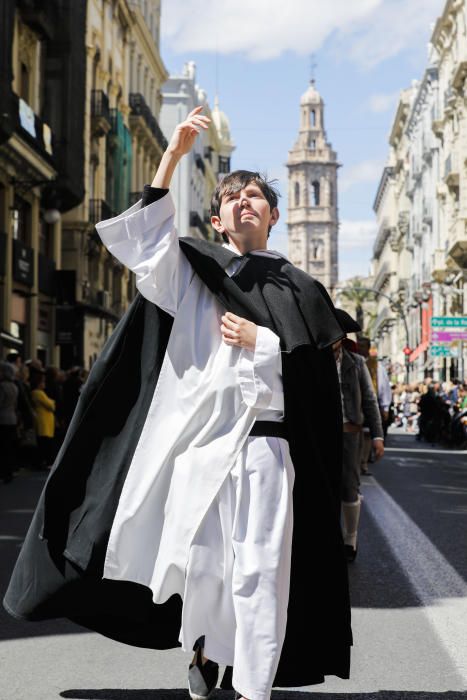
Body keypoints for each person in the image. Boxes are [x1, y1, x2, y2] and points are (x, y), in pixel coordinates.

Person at [4, 107, 351, 700]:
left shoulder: (305, 290)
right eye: (232, 197)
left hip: (267, 449)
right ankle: (203, 650)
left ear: (274, 215)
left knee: (261, 572)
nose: (245, 202)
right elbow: (142, 240)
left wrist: (265, 345)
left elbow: (319, 384)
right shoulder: (189, 273)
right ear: (216, 219)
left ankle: (256, 687)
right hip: (198, 450)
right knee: (204, 569)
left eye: (256, 197)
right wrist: (172, 155)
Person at [333, 312, 384, 562]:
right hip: (322, 433)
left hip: (350, 434)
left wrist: (378, 436)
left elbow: (370, 400)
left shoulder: (356, 362)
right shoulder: (314, 360)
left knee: (349, 486)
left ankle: (350, 538)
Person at [356, 337, 391, 474]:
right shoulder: (352, 361)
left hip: (368, 403)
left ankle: (363, 463)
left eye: (363, 346)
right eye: (359, 345)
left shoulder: (376, 365)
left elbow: (383, 387)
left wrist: (385, 406)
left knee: (367, 434)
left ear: (368, 347)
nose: (361, 348)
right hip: (354, 403)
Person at [30, 371, 55, 469]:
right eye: (43, 382)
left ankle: (42, 462)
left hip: (46, 421)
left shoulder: (40, 393)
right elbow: (51, 405)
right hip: (43, 421)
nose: (44, 384)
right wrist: (52, 402)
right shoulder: (38, 393)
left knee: (44, 443)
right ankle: (43, 462)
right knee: (44, 444)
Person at [0, 361, 19, 484]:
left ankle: (4, 472)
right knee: (9, 447)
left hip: (2, 418)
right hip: (12, 417)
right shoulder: (15, 386)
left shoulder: (2, 386)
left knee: (3, 447)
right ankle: (9, 472)